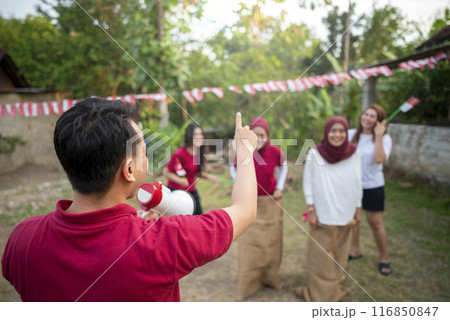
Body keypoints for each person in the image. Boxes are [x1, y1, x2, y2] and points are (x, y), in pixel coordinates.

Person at [1, 98, 258, 302]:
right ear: (129, 169)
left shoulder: (21, 240)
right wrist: (245, 151)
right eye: (144, 151)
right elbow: (245, 210)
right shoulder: (163, 242)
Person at [293, 116, 362, 302]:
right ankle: (318, 292)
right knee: (319, 256)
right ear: (326, 132)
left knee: (340, 253)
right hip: (323, 212)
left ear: (347, 133)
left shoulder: (354, 153)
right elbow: (308, 182)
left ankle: (332, 287)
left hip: (346, 211)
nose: (337, 135)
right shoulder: (315, 153)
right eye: (333, 130)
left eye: (341, 131)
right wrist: (311, 209)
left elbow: (358, 180)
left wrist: (358, 206)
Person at [230, 117, 288, 301]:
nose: (259, 138)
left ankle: (269, 276)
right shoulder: (244, 152)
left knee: (270, 241)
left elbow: (284, 168)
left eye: (263, 134)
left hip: (269, 202)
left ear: (268, 135)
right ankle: (250, 279)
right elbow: (233, 168)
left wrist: (279, 187)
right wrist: (239, 184)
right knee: (250, 242)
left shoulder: (275, 152)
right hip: (250, 202)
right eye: (256, 135)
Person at [348, 104, 393, 276]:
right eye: (366, 114)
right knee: (354, 221)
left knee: (375, 223)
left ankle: (384, 258)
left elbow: (379, 158)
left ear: (379, 121)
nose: (367, 118)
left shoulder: (384, 139)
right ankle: (355, 250)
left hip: (373, 186)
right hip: (353, 185)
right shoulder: (351, 134)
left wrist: (379, 136)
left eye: (372, 116)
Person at [163, 123, 218, 215]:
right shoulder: (179, 154)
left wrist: (209, 177)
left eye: (201, 134)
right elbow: (166, 172)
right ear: (189, 136)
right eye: (196, 134)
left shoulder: (199, 153)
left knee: (198, 217)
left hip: (191, 191)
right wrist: (180, 180)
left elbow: (194, 172)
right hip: (176, 192)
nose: (199, 137)